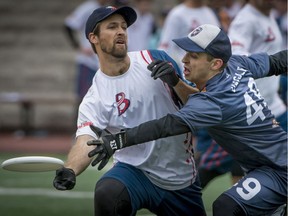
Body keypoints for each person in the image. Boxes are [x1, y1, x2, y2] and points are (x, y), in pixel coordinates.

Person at [87, 24, 288, 216]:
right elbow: (279, 61)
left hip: (278, 170)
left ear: (215, 63)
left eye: (193, 55)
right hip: (270, 164)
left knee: (226, 207)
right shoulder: (236, 64)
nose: (184, 60)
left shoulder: (213, 102)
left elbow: (164, 126)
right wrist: (175, 82)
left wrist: (115, 141)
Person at [53, 5, 206, 216]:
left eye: (124, 27)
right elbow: (85, 140)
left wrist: (176, 82)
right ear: (93, 38)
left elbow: (201, 106)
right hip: (134, 172)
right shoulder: (95, 96)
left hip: (179, 178)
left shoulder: (155, 58)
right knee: (108, 192)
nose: (121, 31)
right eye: (112, 26)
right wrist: (70, 169)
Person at [228, 0, 287, 132]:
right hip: (258, 111)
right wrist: (272, 64)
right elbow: (235, 59)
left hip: (275, 104)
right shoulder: (245, 20)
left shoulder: (268, 14)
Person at [64, 0, 111, 99]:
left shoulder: (107, 8)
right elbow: (68, 25)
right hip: (88, 62)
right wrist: (79, 47)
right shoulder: (89, 7)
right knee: (84, 97)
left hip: (101, 62)